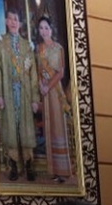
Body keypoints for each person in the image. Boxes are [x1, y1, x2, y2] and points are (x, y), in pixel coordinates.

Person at [0, 5, 38, 183]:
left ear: (21, 23)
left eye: (16, 19)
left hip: (24, 93)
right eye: (10, 19)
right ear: (6, 21)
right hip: (8, 92)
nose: (13, 22)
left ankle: (29, 164)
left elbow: (33, 73)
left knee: (26, 128)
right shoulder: (0, 43)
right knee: (10, 128)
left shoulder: (27, 46)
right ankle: (14, 165)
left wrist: (34, 98)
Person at [35, 16, 73, 184]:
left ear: (51, 30)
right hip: (44, 92)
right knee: (49, 128)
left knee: (58, 126)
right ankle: (53, 170)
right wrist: (40, 86)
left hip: (55, 91)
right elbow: (38, 70)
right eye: (41, 28)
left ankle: (63, 170)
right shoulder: (39, 48)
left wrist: (48, 87)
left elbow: (61, 73)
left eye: (46, 28)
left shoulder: (58, 48)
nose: (44, 31)